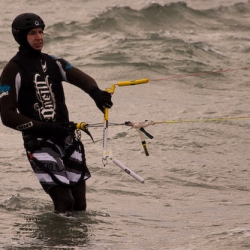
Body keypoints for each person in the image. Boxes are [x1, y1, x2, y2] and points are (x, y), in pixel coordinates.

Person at [0, 13, 113, 214]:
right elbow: (7, 116)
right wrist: (46, 127)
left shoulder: (53, 62)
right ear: (21, 37)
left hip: (66, 138)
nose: (39, 37)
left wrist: (95, 93)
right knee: (64, 201)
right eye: (33, 33)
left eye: (41, 32)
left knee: (80, 203)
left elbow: (78, 76)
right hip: (39, 141)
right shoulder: (12, 70)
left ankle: (78, 244)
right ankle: (57, 243)